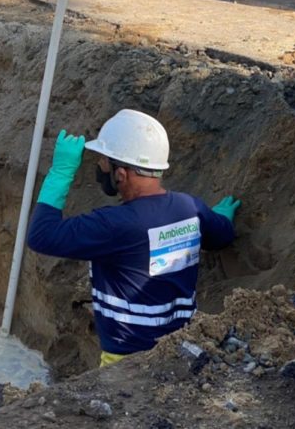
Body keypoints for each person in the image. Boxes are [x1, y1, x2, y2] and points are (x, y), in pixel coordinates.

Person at [27, 109, 241, 367]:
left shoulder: (114, 225)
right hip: (181, 352)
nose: (100, 167)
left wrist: (61, 172)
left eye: (104, 161)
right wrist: (219, 218)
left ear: (121, 174)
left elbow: (41, 236)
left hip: (125, 364)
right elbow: (222, 236)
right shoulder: (190, 208)